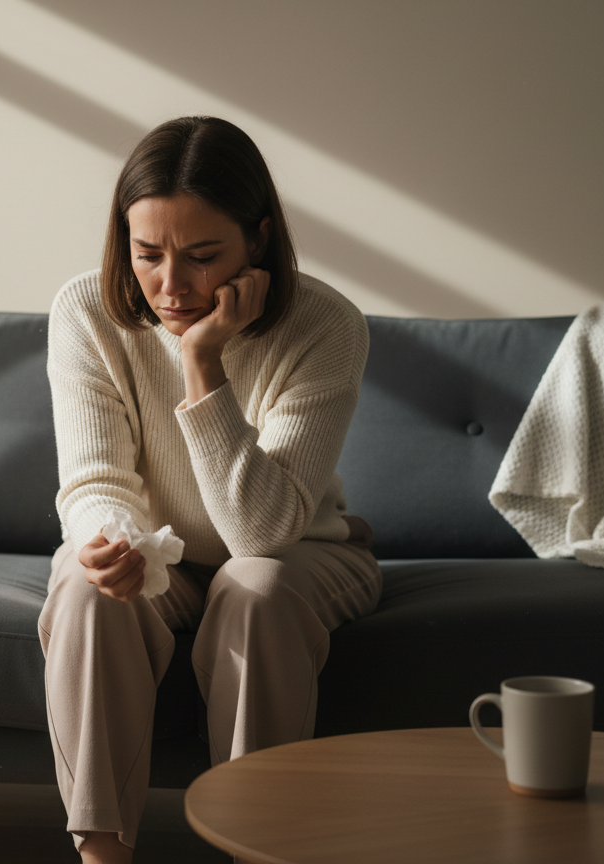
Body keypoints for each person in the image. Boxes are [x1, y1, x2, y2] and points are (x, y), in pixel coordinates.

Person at [41, 116, 382, 864]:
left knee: (254, 587)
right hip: (167, 556)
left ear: (257, 241)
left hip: (300, 551)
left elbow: (260, 532)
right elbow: (95, 479)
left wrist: (202, 363)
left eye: (201, 257)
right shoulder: (84, 312)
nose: (170, 287)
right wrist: (114, 544)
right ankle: (102, 855)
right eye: (147, 256)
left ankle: (252, 845)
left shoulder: (327, 326)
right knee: (85, 581)